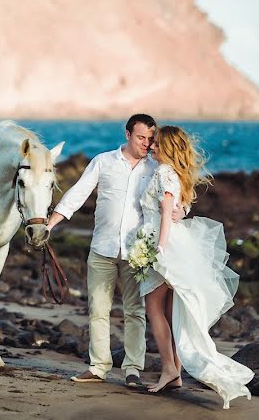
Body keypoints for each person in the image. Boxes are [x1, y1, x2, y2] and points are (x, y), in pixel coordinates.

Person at [47, 113, 175, 388]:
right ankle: (98, 367)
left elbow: (174, 197)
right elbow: (79, 193)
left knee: (135, 312)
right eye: (141, 137)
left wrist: (181, 211)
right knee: (98, 309)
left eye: (150, 139)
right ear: (127, 134)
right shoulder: (103, 161)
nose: (146, 143)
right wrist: (52, 222)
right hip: (102, 248)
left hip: (137, 254)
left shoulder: (156, 167)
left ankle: (132, 369)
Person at [140, 125, 253, 409]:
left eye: (157, 145)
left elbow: (167, 211)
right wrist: (179, 216)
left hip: (163, 243)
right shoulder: (176, 174)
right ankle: (174, 371)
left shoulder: (164, 172)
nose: (152, 148)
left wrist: (160, 249)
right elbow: (178, 206)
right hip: (175, 242)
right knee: (170, 309)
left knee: (153, 307)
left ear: (168, 148)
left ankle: (169, 368)